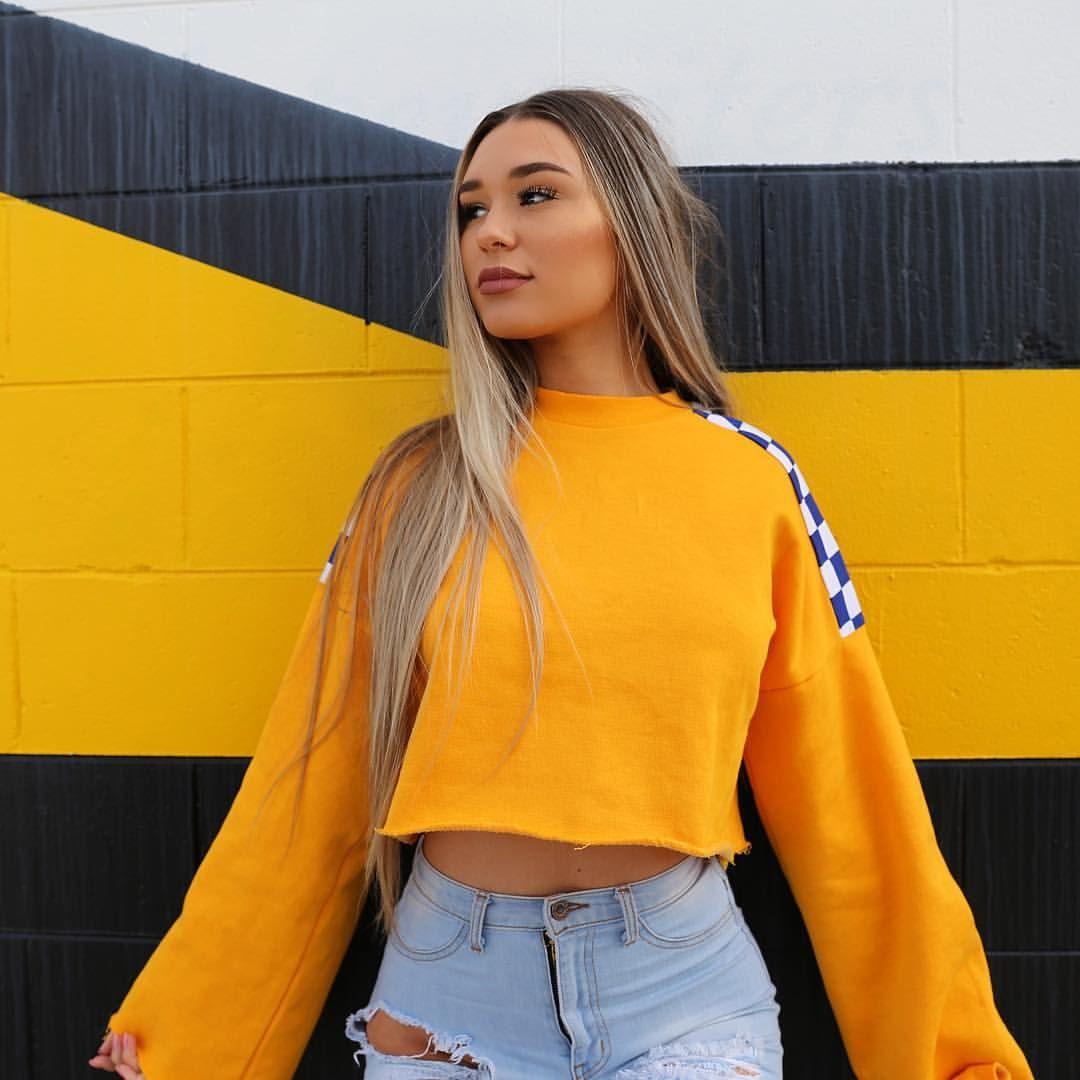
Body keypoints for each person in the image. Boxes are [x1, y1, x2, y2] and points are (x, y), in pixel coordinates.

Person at [90, 88, 1034, 1080]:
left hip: (684, 998)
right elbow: (310, 786)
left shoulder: (753, 481)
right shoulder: (418, 487)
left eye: (534, 195)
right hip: (448, 1007)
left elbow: (855, 805)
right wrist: (185, 1044)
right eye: (472, 209)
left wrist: (953, 1060)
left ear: (633, 221)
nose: (491, 233)